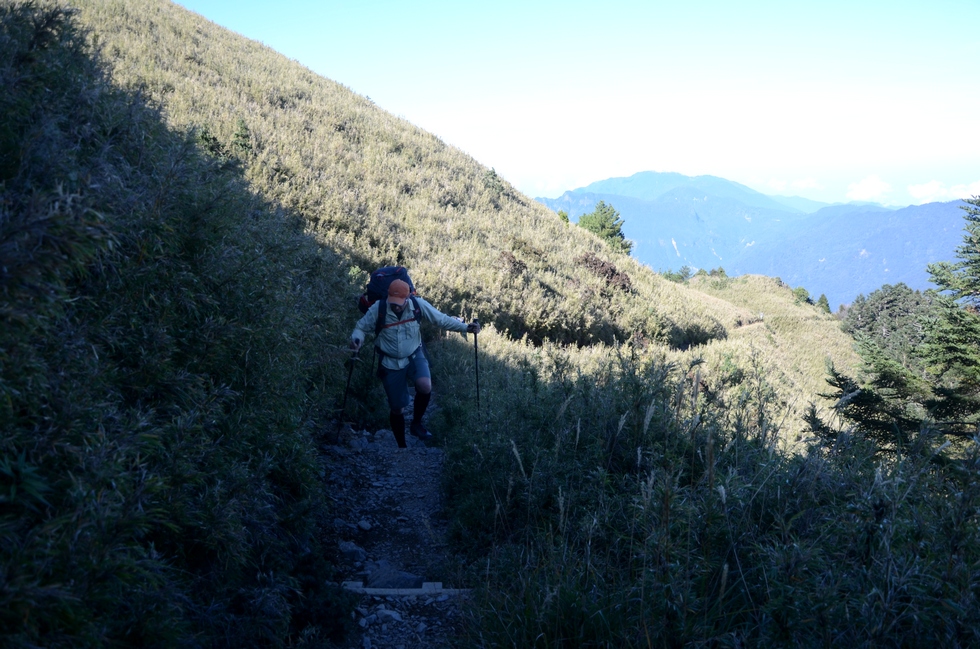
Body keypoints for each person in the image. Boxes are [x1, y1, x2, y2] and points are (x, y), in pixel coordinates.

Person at [350, 278, 480, 448]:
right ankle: (401, 445)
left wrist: (465, 328)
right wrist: (356, 340)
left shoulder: (417, 305)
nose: (395, 306)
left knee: (425, 386)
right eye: (393, 302)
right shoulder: (378, 308)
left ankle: (416, 424)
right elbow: (360, 327)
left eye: (399, 303)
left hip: (414, 354)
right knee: (397, 408)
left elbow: (441, 319)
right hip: (390, 362)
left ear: (408, 298)